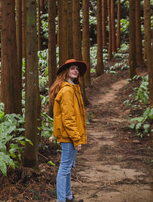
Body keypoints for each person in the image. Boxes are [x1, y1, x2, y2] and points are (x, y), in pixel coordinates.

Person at [49, 59, 87, 202]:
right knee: (64, 168)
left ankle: (68, 196)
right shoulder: (66, 91)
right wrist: (76, 139)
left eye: (77, 69)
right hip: (68, 136)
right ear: (66, 72)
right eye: (72, 68)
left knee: (68, 167)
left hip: (70, 135)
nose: (76, 71)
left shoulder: (73, 89)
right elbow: (68, 118)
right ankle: (61, 199)